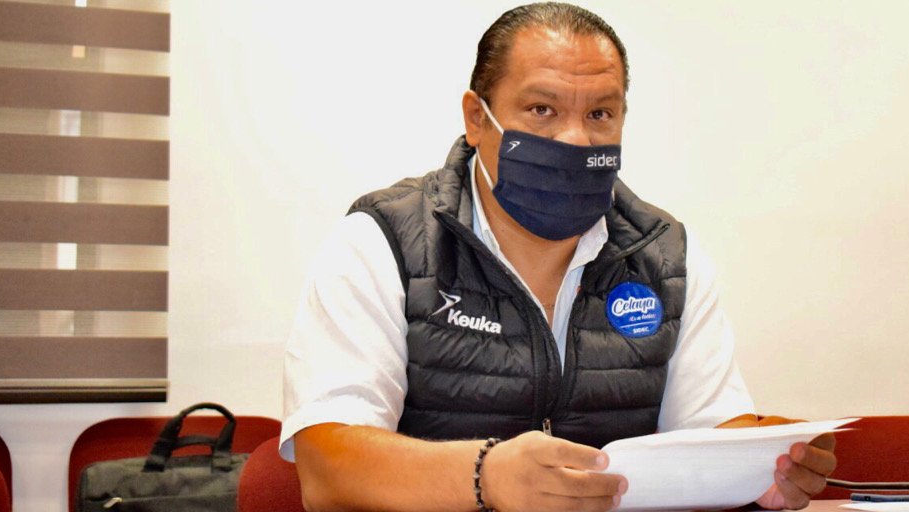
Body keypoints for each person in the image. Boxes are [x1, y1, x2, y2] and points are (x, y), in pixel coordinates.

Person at [281, 3, 836, 511]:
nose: (575, 140)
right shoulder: (384, 242)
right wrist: (485, 476)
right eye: (542, 109)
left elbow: (707, 440)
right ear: (477, 118)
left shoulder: (665, 256)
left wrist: (764, 468)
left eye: (600, 114)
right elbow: (328, 469)